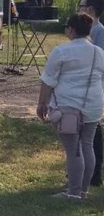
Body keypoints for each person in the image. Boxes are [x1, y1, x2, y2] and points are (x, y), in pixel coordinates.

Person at [36, 13, 104, 199]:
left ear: (71, 30)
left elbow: (48, 80)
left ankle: (73, 193)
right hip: (93, 106)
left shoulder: (62, 51)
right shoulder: (99, 52)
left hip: (68, 106)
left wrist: (42, 103)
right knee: (87, 146)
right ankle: (83, 190)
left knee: (73, 150)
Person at [78, 0, 104, 186]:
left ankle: (94, 175)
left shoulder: (99, 31)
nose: (79, 9)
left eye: (81, 5)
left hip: (93, 88)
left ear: (91, 10)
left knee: (92, 132)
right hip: (82, 88)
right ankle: (81, 170)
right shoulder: (88, 30)